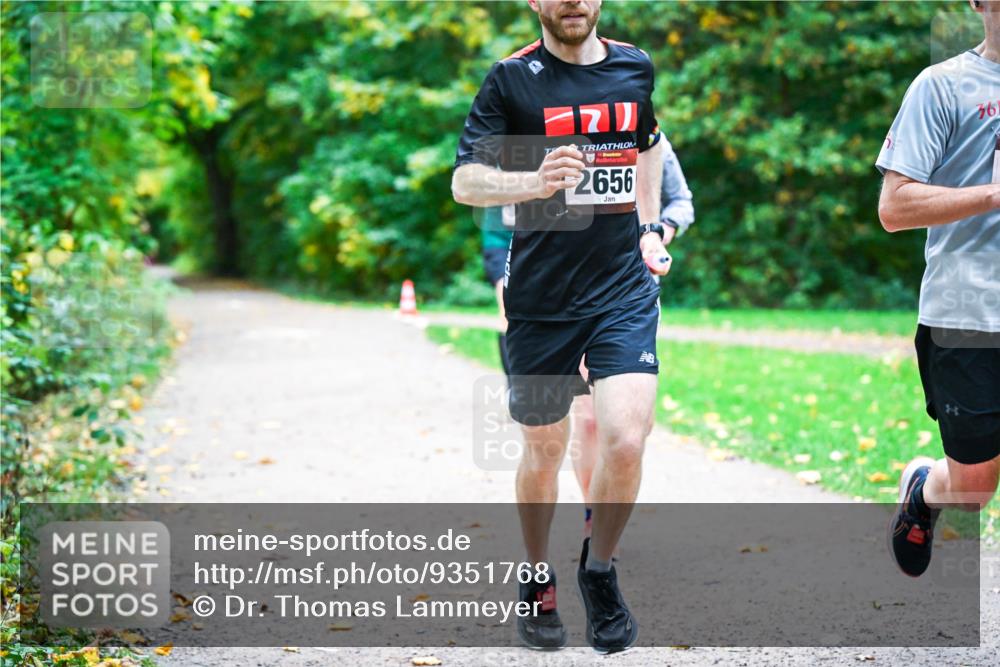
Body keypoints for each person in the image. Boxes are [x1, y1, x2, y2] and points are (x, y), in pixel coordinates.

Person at [453, 0, 668, 653]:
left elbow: (650, 148)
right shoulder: (511, 79)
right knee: (544, 450)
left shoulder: (634, 68)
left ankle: (598, 570)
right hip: (542, 301)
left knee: (625, 439)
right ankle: (537, 570)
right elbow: (465, 181)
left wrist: (650, 227)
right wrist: (531, 178)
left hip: (620, 291)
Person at [877, 0, 1000, 578]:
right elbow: (895, 207)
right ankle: (926, 490)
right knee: (974, 489)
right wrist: (994, 194)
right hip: (968, 311)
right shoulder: (942, 86)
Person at [571, 134, 694, 538]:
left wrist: (657, 232)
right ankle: (595, 517)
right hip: (571, 290)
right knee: (587, 419)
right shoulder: (557, 130)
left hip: (631, 290)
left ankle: (606, 512)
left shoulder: (649, 141)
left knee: (631, 429)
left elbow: (681, 202)